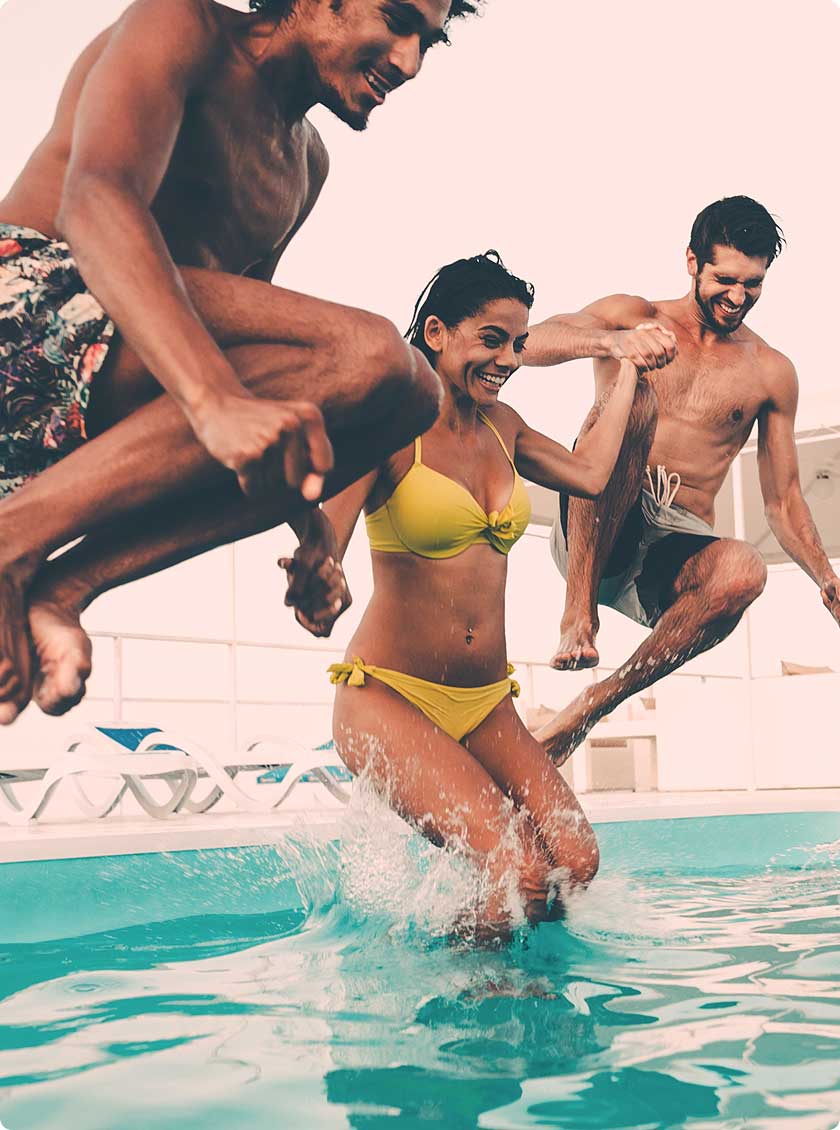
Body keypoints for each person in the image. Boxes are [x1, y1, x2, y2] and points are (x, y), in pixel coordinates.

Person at [0, 0, 478, 724]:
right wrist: (210, 399)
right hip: (30, 310)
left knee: (410, 394)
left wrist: (312, 527)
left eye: (428, 42)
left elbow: (276, 368)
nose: (409, 62)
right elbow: (94, 201)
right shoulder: (184, 26)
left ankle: (60, 590)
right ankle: (12, 542)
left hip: (112, 384)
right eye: (395, 17)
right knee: (378, 352)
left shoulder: (305, 166)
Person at [310, 252, 644, 936]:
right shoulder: (388, 430)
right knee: (518, 871)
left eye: (518, 344)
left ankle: (488, 969)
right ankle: (469, 994)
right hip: (389, 697)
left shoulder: (504, 426)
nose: (508, 360)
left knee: (573, 863)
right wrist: (317, 576)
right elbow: (325, 544)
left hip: (485, 701)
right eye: (493, 340)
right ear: (436, 332)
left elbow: (590, 475)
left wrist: (629, 366)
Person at [522, 195, 840, 761]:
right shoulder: (632, 314)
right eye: (725, 279)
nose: (738, 297)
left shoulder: (770, 372)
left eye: (753, 284)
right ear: (692, 261)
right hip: (599, 525)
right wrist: (613, 343)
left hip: (670, 552)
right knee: (635, 398)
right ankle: (578, 614)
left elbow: (784, 498)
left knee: (745, 570)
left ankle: (593, 704)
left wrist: (826, 578)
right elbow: (528, 343)